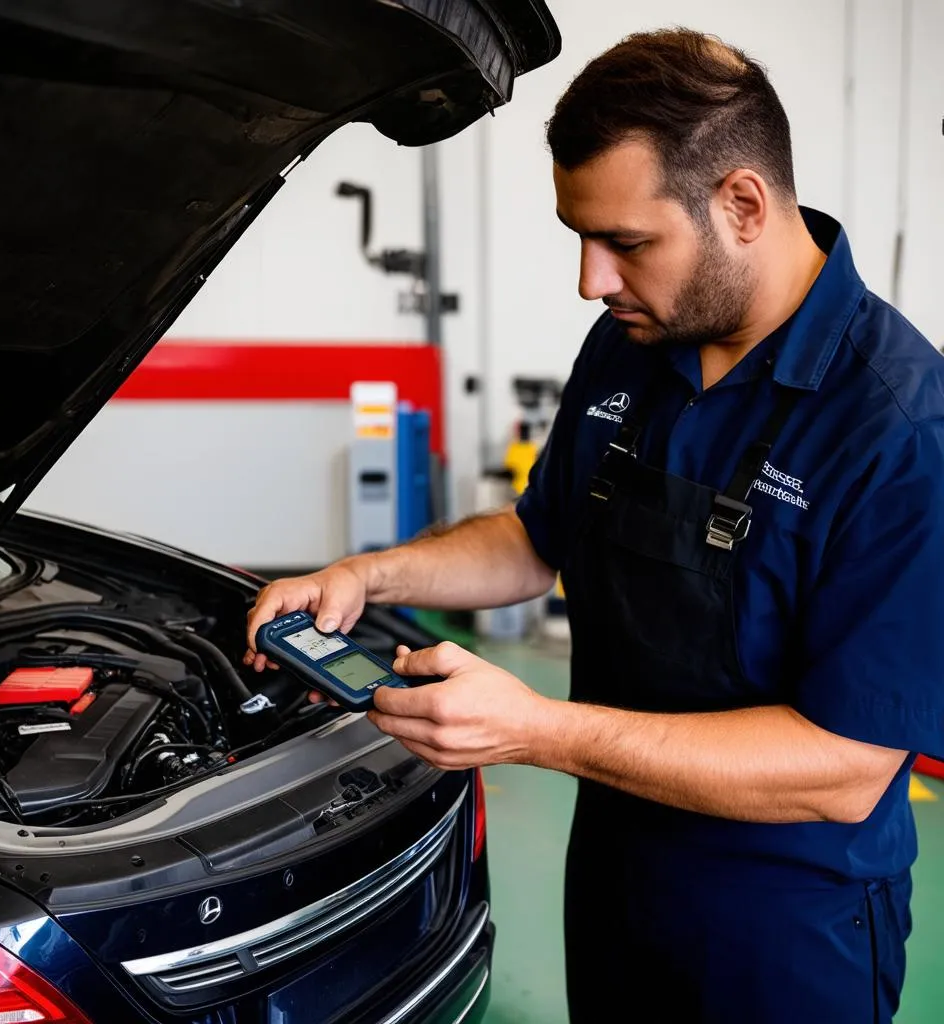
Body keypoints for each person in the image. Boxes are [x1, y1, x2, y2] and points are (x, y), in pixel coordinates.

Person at [245, 28, 944, 1024]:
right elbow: (537, 539)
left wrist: (535, 728)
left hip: (787, 930)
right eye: (581, 237)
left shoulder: (899, 427)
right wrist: (371, 576)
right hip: (617, 878)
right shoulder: (631, 345)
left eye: (625, 242)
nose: (591, 280)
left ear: (741, 204)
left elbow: (841, 769)